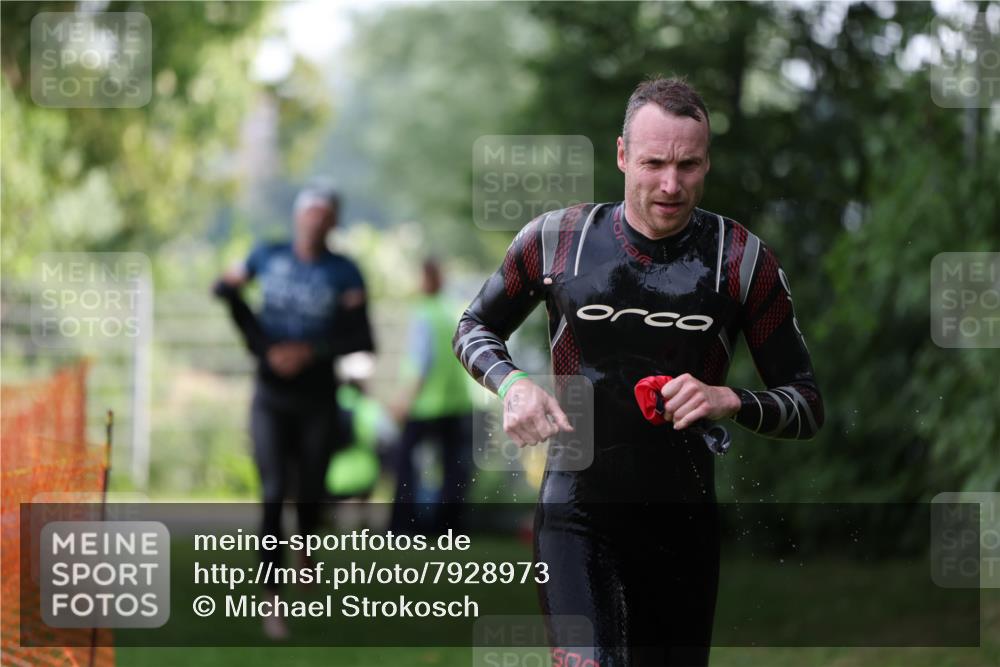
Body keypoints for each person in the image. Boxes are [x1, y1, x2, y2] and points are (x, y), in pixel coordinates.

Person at [453, 78, 824, 666]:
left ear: (707, 161)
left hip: (682, 525)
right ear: (623, 155)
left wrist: (730, 400)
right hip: (576, 514)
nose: (671, 185)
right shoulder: (557, 241)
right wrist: (514, 385)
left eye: (688, 165)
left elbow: (806, 405)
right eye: (654, 163)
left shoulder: (740, 261)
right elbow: (473, 327)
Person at [212, 185, 375, 639]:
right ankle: (273, 601)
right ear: (298, 216)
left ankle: (306, 545)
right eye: (310, 213)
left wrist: (311, 351)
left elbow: (362, 337)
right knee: (272, 492)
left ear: (333, 223)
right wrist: (266, 349)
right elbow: (224, 290)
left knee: (310, 490)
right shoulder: (267, 255)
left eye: (325, 215)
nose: (315, 221)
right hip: (270, 396)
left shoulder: (344, 271)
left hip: (318, 398)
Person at [390, 258, 474, 535]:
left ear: (424, 279)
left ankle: (403, 526)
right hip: (457, 403)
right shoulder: (451, 311)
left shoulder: (424, 313)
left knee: (405, 465)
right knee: (453, 469)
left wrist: (403, 400)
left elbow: (420, 362)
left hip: (426, 404)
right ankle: (448, 527)